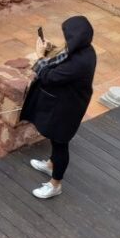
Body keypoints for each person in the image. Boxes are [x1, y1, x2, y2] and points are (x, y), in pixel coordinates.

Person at [19, 16, 97, 199]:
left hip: (67, 109)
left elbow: (49, 77)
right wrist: (50, 49)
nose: (65, 40)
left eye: (67, 36)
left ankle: (56, 185)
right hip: (65, 103)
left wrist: (39, 56)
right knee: (56, 140)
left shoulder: (80, 63)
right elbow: (63, 57)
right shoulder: (85, 49)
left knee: (61, 143)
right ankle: (51, 165)